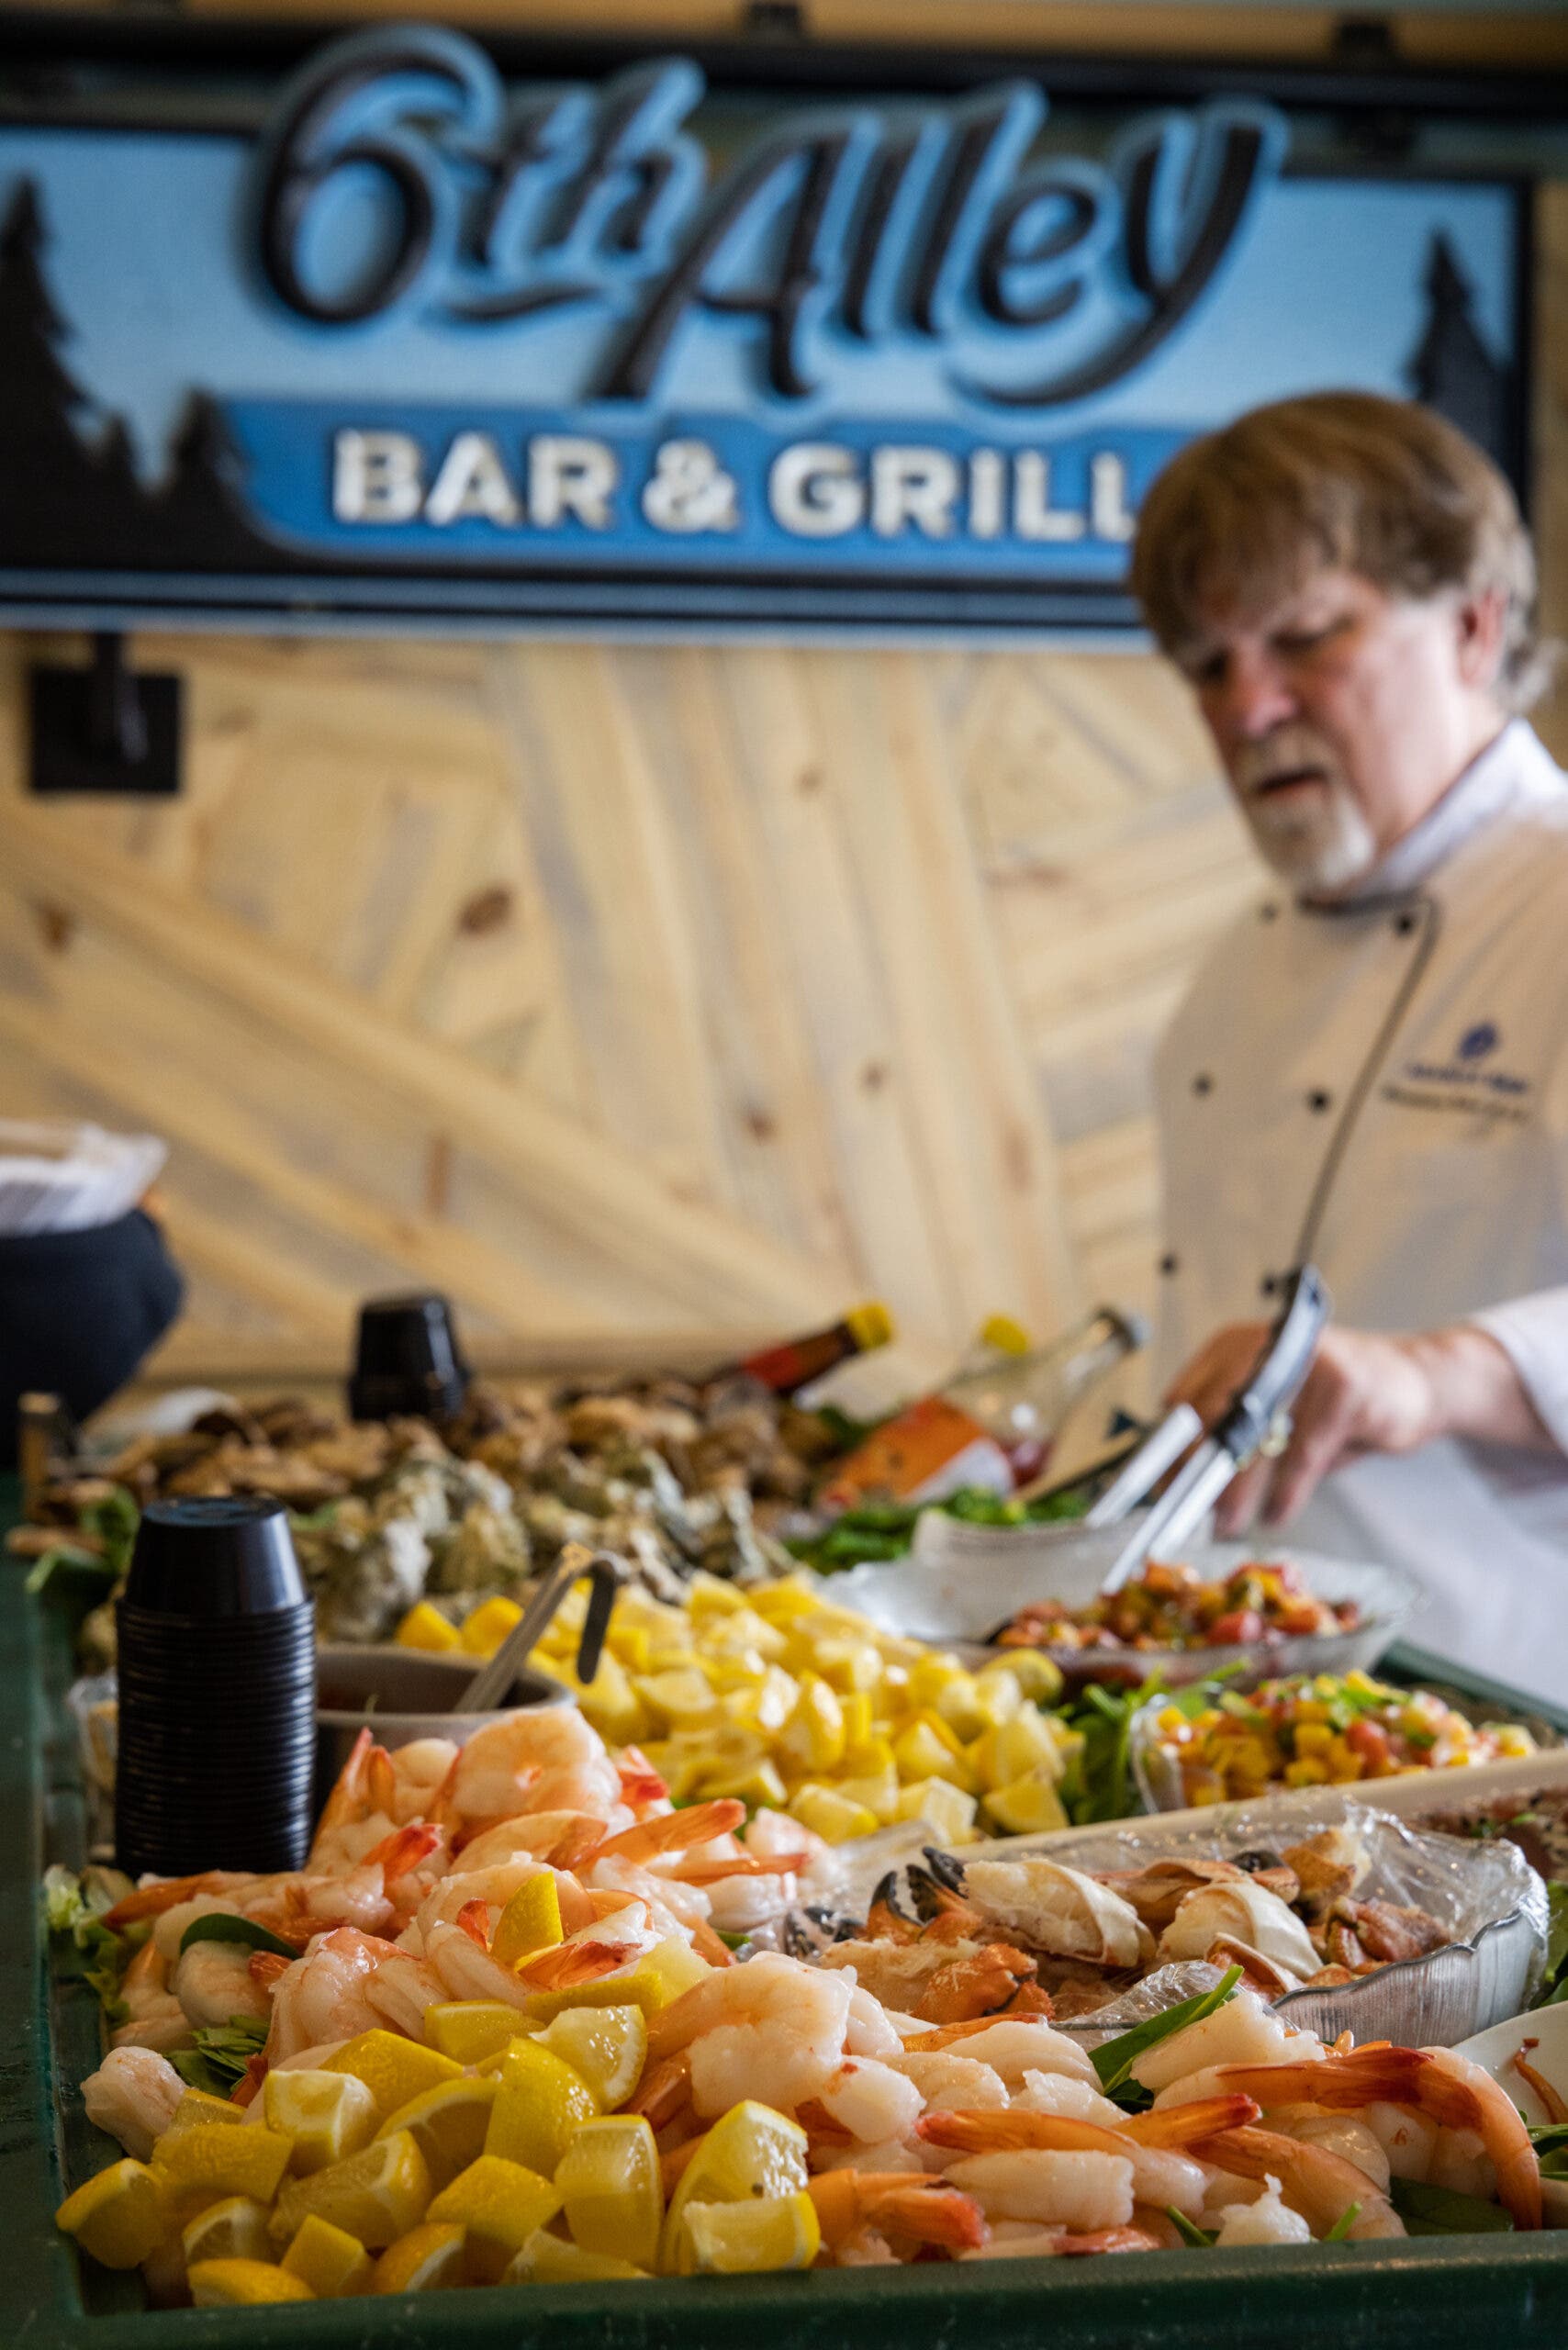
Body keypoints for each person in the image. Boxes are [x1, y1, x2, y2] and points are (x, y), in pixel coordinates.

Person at [1131, 390, 1568, 1701]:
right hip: (1259, 1697)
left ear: (1476, 627)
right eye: (1209, 665)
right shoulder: (1233, 972)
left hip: (1521, 1707)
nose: (1248, 708)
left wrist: (1440, 1373)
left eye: (1306, 639)